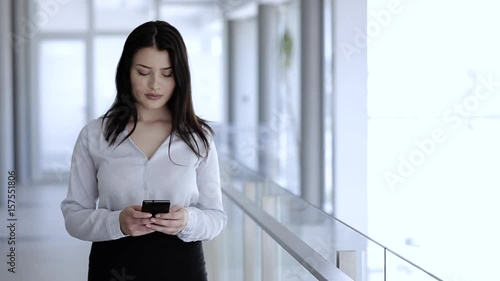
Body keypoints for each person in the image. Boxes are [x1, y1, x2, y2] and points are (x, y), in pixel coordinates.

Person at [60, 20, 227, 281]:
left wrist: (187, 221)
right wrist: (117, 223)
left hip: (183, 268)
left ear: (180, 75)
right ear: (126, 71)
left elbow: (216, 217)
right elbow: (74, 216)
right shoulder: (95, 135)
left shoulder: (198, 137)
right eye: (143, 72)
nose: (155, 85)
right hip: (113, 267)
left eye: (167, 73)